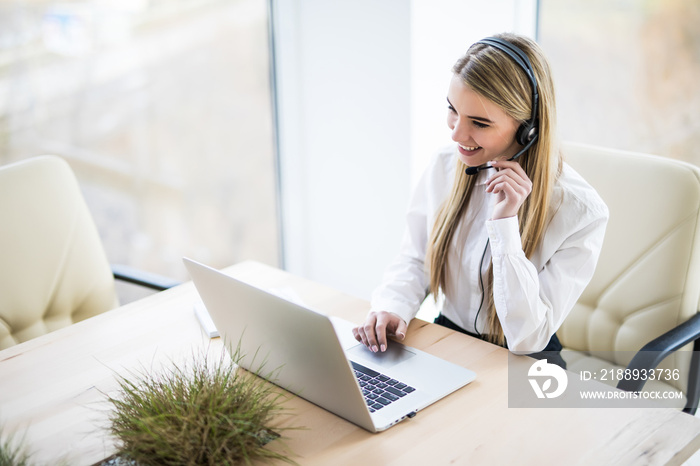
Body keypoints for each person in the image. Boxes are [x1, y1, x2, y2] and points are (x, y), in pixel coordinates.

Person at [352, 33, 609, 365]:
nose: (456, 134)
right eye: (452, 110)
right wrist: (391, 306)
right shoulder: (445, 165)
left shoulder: (581, 213)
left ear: (528, 128)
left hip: (526, 361)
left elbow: (527, 337)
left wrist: (505, 226)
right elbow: (416, 258)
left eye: (479, 123)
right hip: (451, 338)